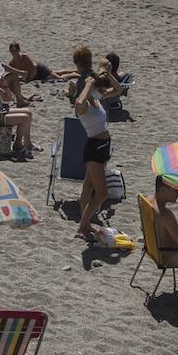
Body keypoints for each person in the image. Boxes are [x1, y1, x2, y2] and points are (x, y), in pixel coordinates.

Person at [72, 47, 112, 243]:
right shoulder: (84, 105)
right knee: (102, 192)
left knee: (89, 185)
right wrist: (87, 84)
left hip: (102, 147)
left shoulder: (95, 102)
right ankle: (83, 226)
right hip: (95, 148)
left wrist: (109, 75)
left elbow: (118, 90)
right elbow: (79, 100)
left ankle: (84, 224)